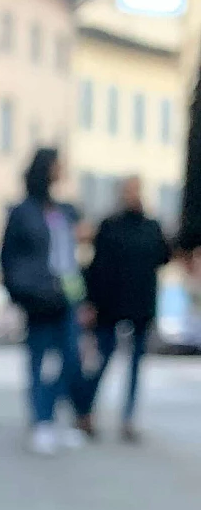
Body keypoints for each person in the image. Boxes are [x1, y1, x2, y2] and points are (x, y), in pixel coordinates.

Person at [0, 148, 95, 455]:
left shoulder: (64, 210)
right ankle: (41, 421)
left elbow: (71, 256)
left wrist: (83, 298)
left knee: (71, 360)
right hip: (39, 297)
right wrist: (18, 292)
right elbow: (9, 257)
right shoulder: (23, 212)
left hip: (68, 294)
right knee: (40, 361)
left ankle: (53, 417)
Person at [82, 176, 170, 443]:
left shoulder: (151, 226)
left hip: (140, 305)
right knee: (103, 358)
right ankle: (86, 411)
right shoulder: (110, 226)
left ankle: (128, 418)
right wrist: (92, 303)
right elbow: (97, 267)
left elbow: (163, 255)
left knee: (135, 365)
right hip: (111, 305)